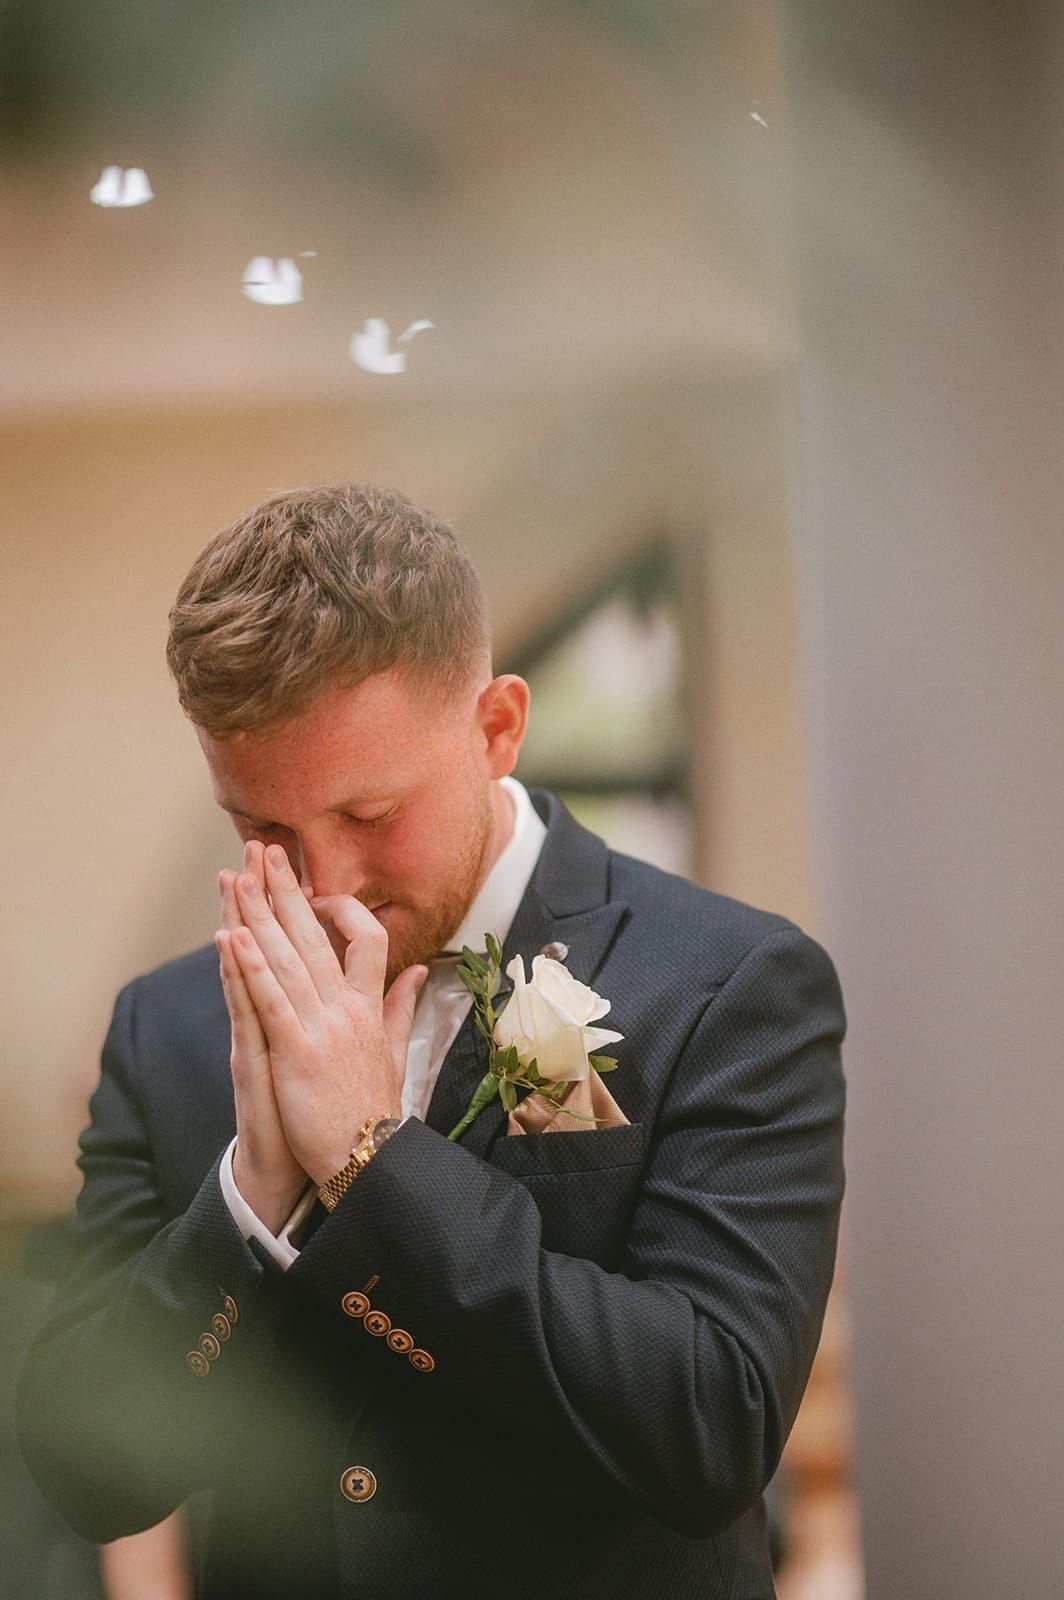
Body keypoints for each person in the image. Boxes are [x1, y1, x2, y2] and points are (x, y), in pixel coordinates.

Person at [17, 483, 846, 1599]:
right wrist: (251, 1201)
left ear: (496, 726)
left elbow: (709, 1429)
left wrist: (371, 1162)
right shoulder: (167, 1026)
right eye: (263, 827)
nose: (325, 885)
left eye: (367, 815)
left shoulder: (727, 987)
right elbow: (88, 1471)